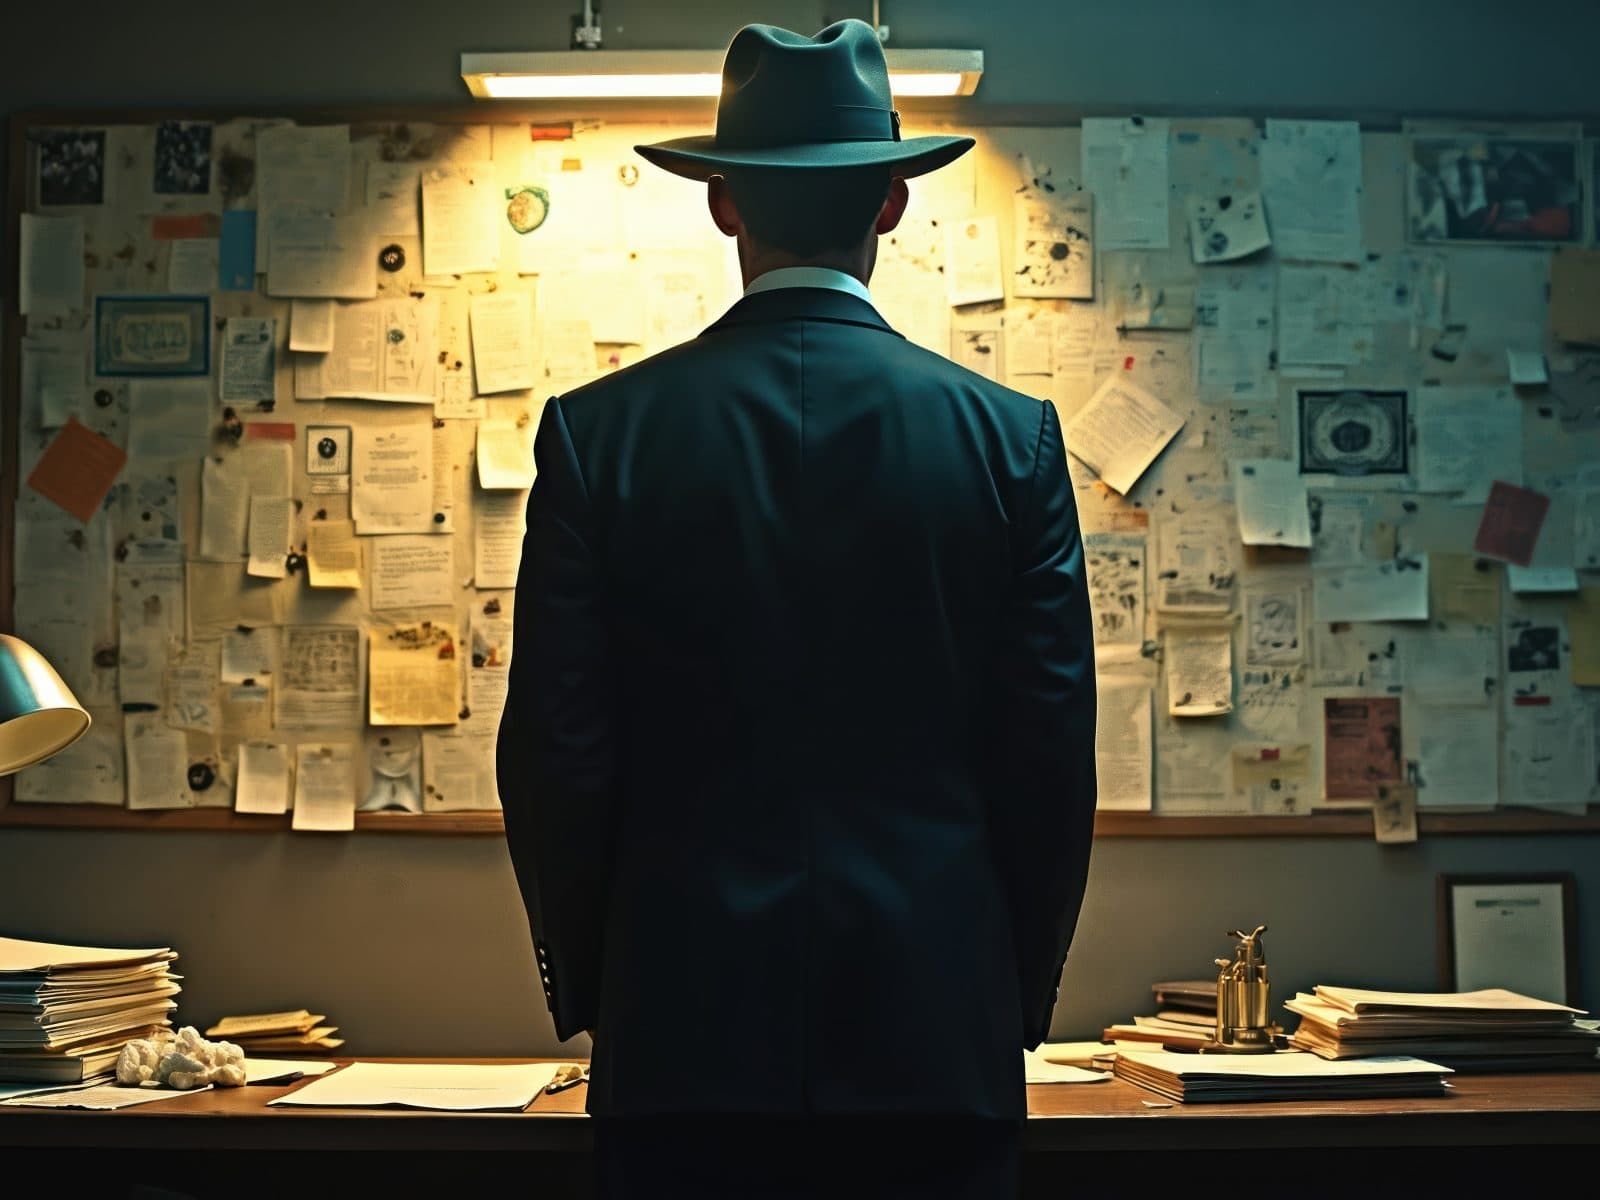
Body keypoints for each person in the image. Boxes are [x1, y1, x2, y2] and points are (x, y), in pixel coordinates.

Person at [496, 18, 1098, 1199]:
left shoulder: (597, 435)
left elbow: (556, 755)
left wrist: (600, 985)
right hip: (936, 1045)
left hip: (679, 1041)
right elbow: (1046, 763)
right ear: (890, 206)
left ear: (722, 203)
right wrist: (1003, 996)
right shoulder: (1009, 443)